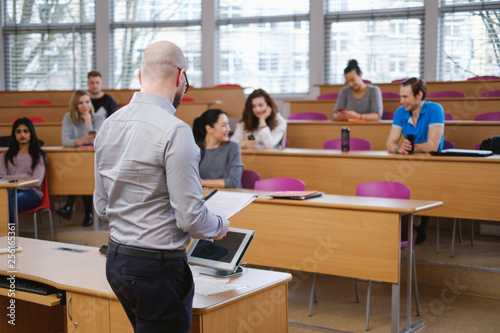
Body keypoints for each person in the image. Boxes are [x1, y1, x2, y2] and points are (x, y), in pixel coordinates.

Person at [93, 41, 229, 333]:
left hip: (116, 260)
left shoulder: (108, 126)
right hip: (156, 269)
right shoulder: (176, 131)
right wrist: (219, 224)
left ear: (141, 77)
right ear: (181, 78)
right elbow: (191, 219)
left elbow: (101, 206)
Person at [386, 77, 445, 244]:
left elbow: (432, 146)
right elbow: (390, 143)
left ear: (419, 95)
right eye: (401, 96)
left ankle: (420, 224)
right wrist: (399, 148)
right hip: (408, 164)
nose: (401, 101)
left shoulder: (435, 109)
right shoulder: (401, 112)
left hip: (433, 165)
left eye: (405, 97)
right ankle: (405, 226)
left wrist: (411, 148)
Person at [57, 89, 105, 227]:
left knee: (84, 174)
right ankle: (88, 213)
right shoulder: (68, 118)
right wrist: (81, 141)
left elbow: (94, 140)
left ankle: (70, 206)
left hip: (93, 161)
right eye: (80, 103)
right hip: (74, 160)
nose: (85, 106)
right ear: (75, 105)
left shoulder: (99, 118)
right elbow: (65, 141)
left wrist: (88, 121)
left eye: (87, 102)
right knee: (79, 174)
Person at [0, 118, 47, 225]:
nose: (22, 134)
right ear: (14, 134)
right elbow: (1, 178)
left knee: (7, 203)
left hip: (31, 193)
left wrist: (10, 178)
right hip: (8, 191)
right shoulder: (5, 155)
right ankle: (7, 236)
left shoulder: (39, 155)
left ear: (31, 133)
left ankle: (11, 238)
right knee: (5, 200)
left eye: (26, 131)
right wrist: (25, 175)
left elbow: (37, 182)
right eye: (18, 131)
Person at [193, 109, 243, 188]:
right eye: (224, 125)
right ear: (209, 129)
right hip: (204, 196)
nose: (228, 129)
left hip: (230, 196)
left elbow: (234, 182)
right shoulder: (196, 149)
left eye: (228, 124)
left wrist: (203, 182)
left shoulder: (233, 147)